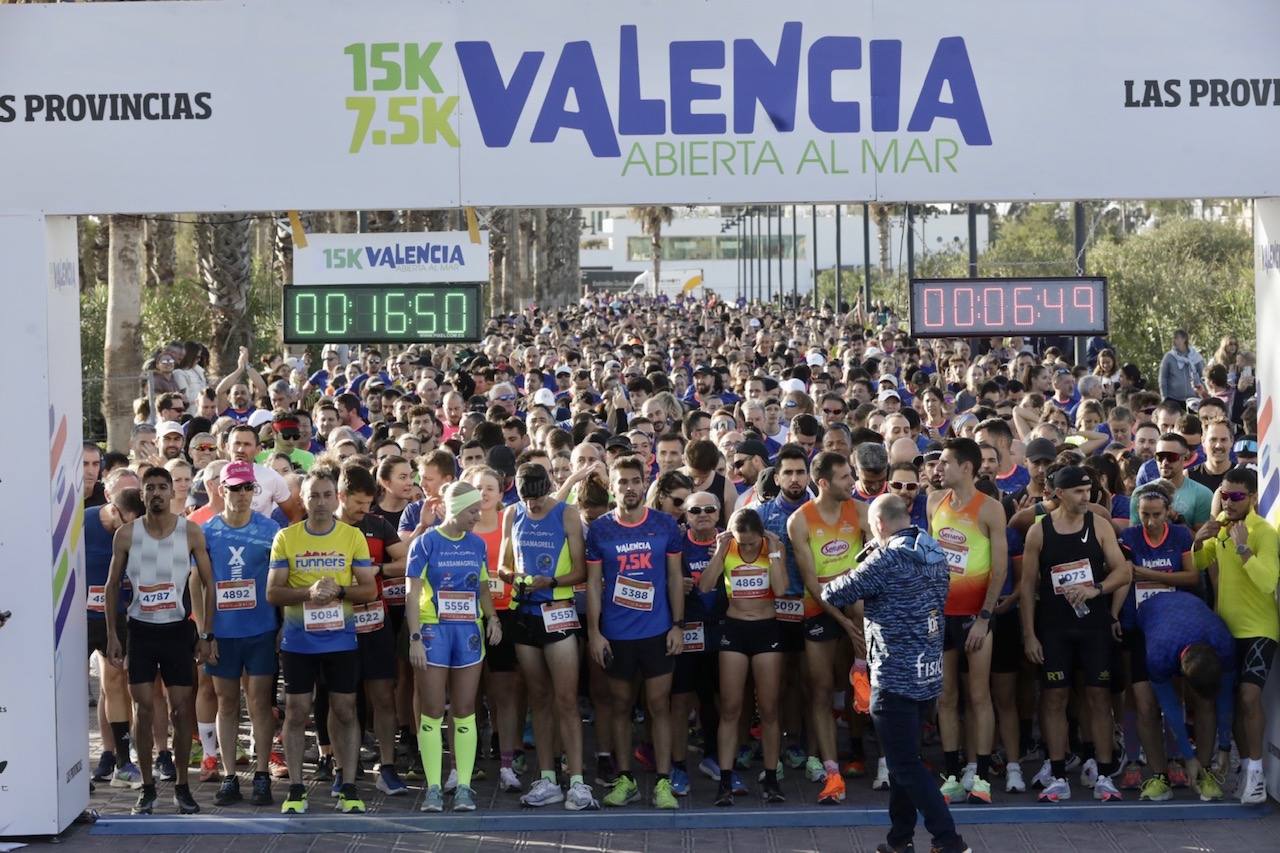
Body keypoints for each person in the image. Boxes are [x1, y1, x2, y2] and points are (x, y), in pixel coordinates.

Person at [822, 495, 970, 853]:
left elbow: (834, 591)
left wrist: (866, 559)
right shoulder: (934, 550)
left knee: (904, 765)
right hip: (927, 673)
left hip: (893, 675)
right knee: (907, 761)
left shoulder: (886, 558)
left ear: (878, 525)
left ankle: (949, 841)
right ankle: (899, 840)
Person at [104, 467, 215, 816]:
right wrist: (113, 635)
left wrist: (206, 634)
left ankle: (182, 786)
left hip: (178, 631)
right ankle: (148, 789)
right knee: (144, 710)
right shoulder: (126, 534)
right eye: (149, 487)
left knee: (182, 711)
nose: (155, 493)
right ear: (142, 495)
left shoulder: (190, 531)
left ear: (171, 493)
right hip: (141, 630)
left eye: (161, 487)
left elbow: (210, 583)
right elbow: (111, 587)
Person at [267, 467, 378, 815]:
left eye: (327, 495)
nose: (320, 502)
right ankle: (297, 788)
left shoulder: (351, 536)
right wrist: (309, 593)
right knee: (297, 712)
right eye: (313, 495)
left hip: (341, 642)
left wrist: (341, 591)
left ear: (337, 498)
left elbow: (369, 589)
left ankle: (347, 785)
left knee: (344, 710)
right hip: (299, 643)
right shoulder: (287, 537)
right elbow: (273, 592)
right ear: (303, 498)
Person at [1019, 465, 1132, 803]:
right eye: (1079, 492)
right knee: (1054, 697)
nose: (1087, 497)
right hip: (1054, 628)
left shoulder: (1098, 525)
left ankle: (1104, 772)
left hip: (1092, 627)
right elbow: (1026, 587)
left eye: (1089, 490)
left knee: (1098, 697)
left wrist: (1096, 589)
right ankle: (1056, 774)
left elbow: (1122, 571)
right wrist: (1029, 634)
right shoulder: (1039, 532)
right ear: (1059, 493)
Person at [586, 455, 685, 810]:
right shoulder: (600, 529)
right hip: (617, 635)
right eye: (622, 482)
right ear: (612, 488)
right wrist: (595, 633)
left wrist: (678, 624)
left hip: (658, 631)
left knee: (659, 705)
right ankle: (624, 778)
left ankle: (662, 781)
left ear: (645, 483)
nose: (629, 487)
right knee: (621, 707)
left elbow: (675, 577)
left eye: (634, 481)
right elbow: (594, 584)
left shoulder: (663, 525)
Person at [500, 462, 597, 810]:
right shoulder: (513, 513)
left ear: (548, 489)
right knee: (538, 699)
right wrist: (517, 576)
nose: (535, 505)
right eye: (528, 499)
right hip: (525, 613)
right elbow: (502, 564)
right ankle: (547, 777)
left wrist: (552, 582)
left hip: (558, 612)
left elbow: (581, 569)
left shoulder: (567, 514)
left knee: (567, 700)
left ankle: (578, 780)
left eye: (539, 497)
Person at [406, 481, 503, 813]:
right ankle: (433, 788)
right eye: (472, 511)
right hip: (433, 632)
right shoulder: (425, 543)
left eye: (478, 510)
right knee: (432, 711)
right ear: (455, 509)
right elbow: (411, 594)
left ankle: (463, 786)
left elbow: (483, 587)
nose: (477, 516)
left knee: (465, 711)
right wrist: (415, 637)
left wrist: (493, 618)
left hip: (468, 633)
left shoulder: (476, 545)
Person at [927, 438, 1008, 805]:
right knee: (945, 697)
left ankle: (981, 774)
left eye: (944, 463)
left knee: (979, 696)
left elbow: (1000, 567)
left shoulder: (990, 508)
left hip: (976, 617)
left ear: (966, 467)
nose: (937, 468)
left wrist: (985, 617)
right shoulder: (934, 503)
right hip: (940, 616)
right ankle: (951, 774)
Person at [1191, 466, 1278, 805]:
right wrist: (1199, 540)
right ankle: (1246, 766)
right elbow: (1200, 564)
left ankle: (1257, 774)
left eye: (1236, 496)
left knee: (1248, 697)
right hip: (1226, 628)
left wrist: (1244, 550)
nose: (1228, 501)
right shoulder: (1223, 529)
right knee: (1235, 703)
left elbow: (1268, 582)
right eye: (1224, 495)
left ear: (1252, 497)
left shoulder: (1263, 532)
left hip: (1259, 628)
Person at [788, 450, 870, 805]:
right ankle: (831, 768)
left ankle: (858, 749)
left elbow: (873, 563)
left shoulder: (861, 509)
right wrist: (845, 624)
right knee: (821, 690)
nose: (851, 481)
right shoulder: (800, 520)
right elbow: (811, 583)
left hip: (854, 604)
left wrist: (856, 624)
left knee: (855, 684)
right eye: (844, 477)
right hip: (820, 607)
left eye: (850, 475)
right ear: (823, 483)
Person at [201, 461, 280, 807]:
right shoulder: (207, 531)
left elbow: (282, 579)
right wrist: (205, 632)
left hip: (261, 629)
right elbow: (198, 583)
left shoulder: (270, 528)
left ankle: (261, 775)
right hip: (224, 632)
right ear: (222, 490)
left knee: (260, 702)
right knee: (227, 701)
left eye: (248, 488)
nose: (243, 494)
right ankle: (230, 775)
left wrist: (279, 626)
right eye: (235, 488)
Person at [1115, 480, 1199, 798]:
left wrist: (1149, 575)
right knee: (1140, 699)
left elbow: (1191, 577)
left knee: (1173, 697)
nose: (1149, 522)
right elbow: (1124, 576)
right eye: (1144, 515)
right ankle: (1144, 763)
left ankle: (1175, 756)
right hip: (1137, 627)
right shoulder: (1129, 536)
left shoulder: (1180, 535)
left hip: (1173, 628)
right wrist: (1114, 615)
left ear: (1168, 513)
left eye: (1155, 515)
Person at [700, 508, 788, 806]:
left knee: (769, 708)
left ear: (761, 535)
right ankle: (725, 781)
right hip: (734, 629)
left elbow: (781, 588)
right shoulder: (728, 547)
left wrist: (774, 553)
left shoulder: (772, 547)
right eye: (742, 543)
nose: (747, 548)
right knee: (730, 707)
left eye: (752, 543)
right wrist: (721, 550)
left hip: (766, 628)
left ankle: (772, 778)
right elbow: (705, 585)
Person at [336, 463, 410, 797]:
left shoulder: (378, 525)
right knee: (342, 701)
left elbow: (406, 563)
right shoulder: (326, 527)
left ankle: (388, 766)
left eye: (368, 504)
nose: (364, 511)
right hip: (336, 625)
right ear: (342, 495)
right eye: (358, 504)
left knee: (383, 696)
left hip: (376, 622)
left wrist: (377, 568)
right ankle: (343, 770)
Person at [86, 487, 145, 790]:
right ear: (112, 507)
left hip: (117, 617)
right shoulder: (82, 524)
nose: (128, 530)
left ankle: (124, 763)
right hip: (79, 620)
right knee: (67, 691)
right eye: (125, 522)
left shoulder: (137, 531)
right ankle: (74, 763)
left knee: (116, 682)